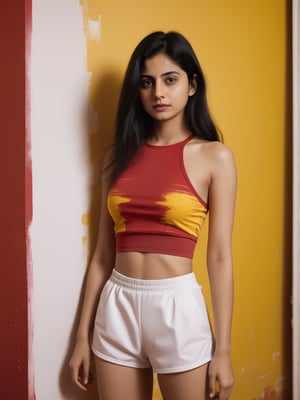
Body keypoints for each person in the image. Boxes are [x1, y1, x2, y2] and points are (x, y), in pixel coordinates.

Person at [69, 31, 237, 400]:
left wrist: (222, 349)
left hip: (177, 308)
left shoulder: (214, 158)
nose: (158, 93)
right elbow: (101, 256)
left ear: (192, 85)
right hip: (117, 305)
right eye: (147, 82)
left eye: (170, 80)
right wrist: (81, 337)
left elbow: (220, 257)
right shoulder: (117, 157)